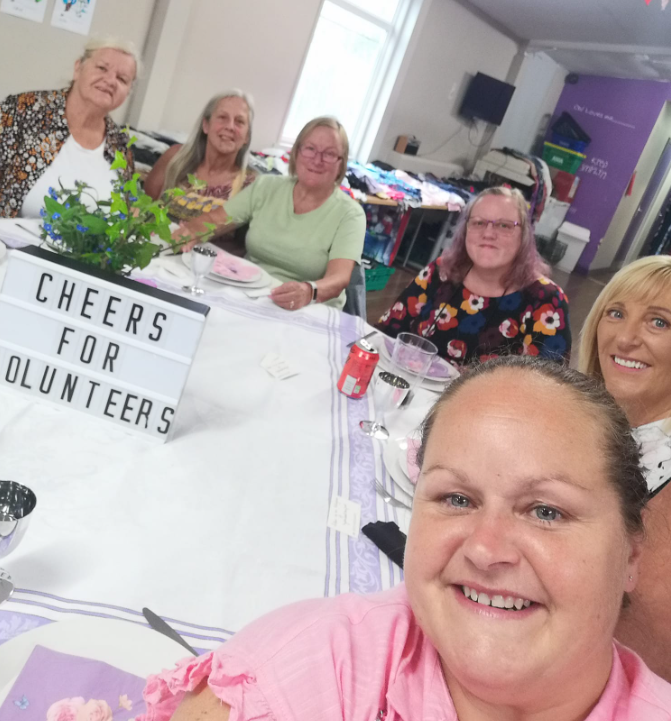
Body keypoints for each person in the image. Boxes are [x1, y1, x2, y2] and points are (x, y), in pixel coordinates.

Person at [137, 356, 671, 721]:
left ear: (631, 554)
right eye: (457, 498)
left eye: (546, 511)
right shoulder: (298, 675)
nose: (486, 550)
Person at [579, 255, 671, 679]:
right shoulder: (597, 427)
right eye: (616, 313)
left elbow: (645, 647)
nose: (626, 338)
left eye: (659, 322)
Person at [181, 117, 365, 311]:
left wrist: (308, 291)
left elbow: (339, 278)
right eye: (310, 149)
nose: (317, 160)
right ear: (297, 152)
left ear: (341, 163)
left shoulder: (350, 214)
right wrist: (190, 233)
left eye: (329, 154)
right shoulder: (266, 186)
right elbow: (214, 220)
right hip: (252, 295)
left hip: (309, 308)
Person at [376, 187, 571, 365]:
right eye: (478, 223)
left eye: (504, 226)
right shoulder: (441, 272)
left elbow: (547, 386)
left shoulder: (546, 301)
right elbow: (386, 333)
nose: (488, 233)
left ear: (524, 236)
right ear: (465, 231)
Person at [0, 37, 138, 219]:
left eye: (122, 79)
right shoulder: (21, 111)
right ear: (78, 68)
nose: (110, 80)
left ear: (128, 92)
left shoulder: (120, 146)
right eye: (102, 68)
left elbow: (126, 214)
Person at [144, 90, 256, 221]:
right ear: (206, 125)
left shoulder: (250, 185)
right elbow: (142, 210)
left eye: (239, 121)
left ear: (247, 136)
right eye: (222, 117)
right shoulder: (174, 158)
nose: (230, 127)